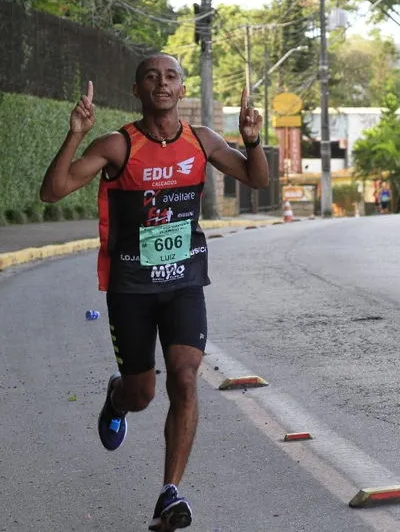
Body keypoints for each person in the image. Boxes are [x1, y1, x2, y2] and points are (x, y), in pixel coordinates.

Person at [39, 53, 268, 531]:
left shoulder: (201, 141)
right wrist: (77, 132)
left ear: (182, 90)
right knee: (142, 393)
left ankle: (169, 493)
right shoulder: (118, 145)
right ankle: (117, 397)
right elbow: (54, 190)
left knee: (184, 379)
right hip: (131, 290)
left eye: (170, 77)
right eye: (151, 77)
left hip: (184, 282)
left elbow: (256, 178)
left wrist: (253, 141)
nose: (161, 84)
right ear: (138, 90)